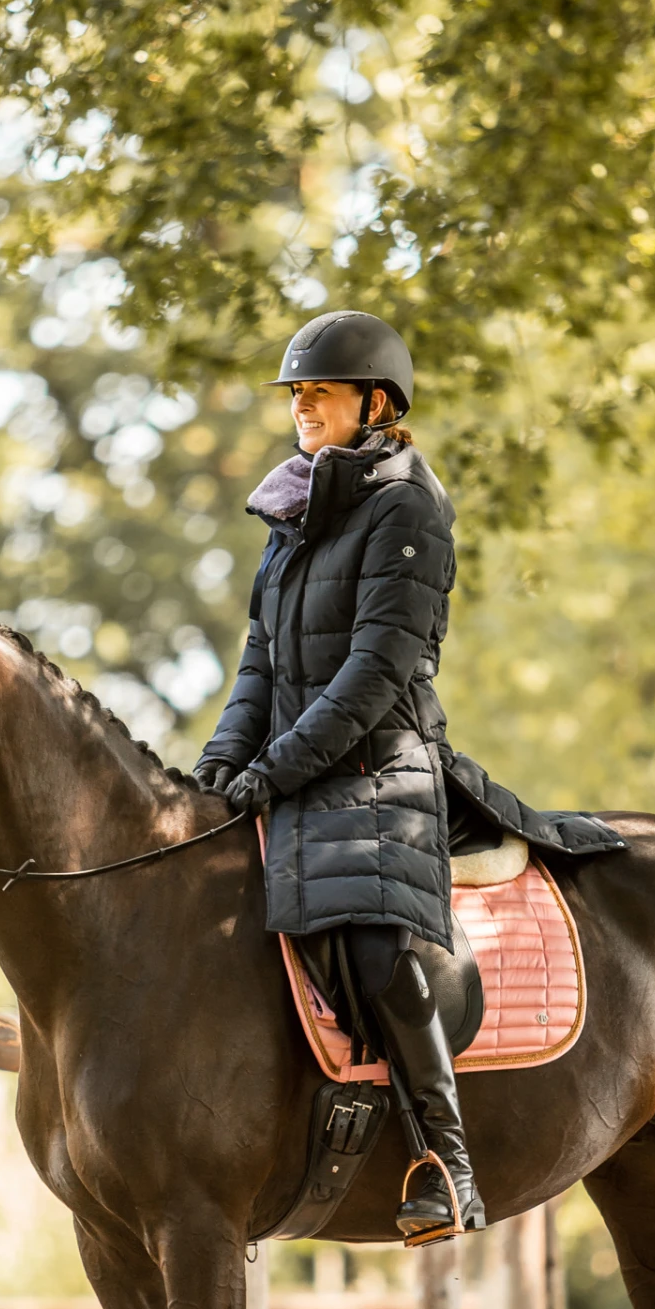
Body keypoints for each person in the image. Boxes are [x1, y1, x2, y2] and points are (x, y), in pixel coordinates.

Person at [194, 308, 488, 1234]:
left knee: (366, 933)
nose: (302, 407)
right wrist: (215, 770)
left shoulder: (408, 505)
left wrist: (275, 770)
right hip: (295, 770)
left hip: (379, 769)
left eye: (319, 392)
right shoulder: (290, 516)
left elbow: (373, 674)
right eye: (297, 394)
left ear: (376, 402)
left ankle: (449, 1160)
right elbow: (258, 670)